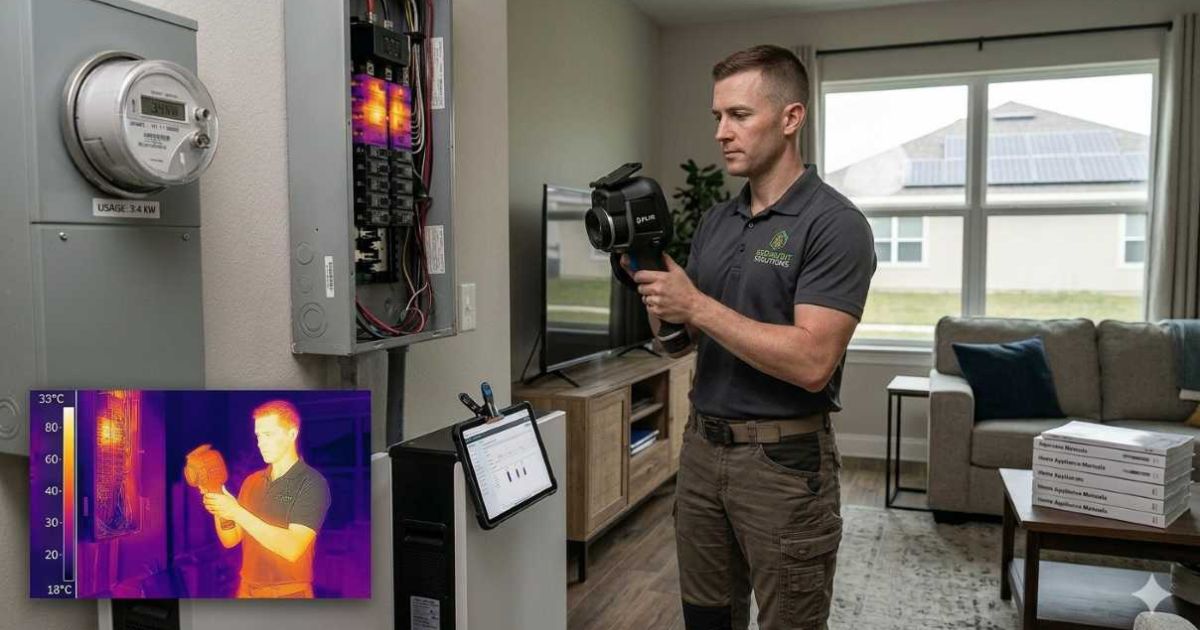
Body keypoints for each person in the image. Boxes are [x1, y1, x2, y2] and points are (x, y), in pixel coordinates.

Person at [629, 45, 876, 629]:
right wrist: (652, 285)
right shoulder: (717, 221)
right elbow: (680, 342)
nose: (722, 132)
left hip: (782, 465)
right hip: (701, 451)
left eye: (739, 115)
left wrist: (696, 304)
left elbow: (812, 362)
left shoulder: (835, 224)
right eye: (718, 116)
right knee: (707, 618)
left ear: (791, 118)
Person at [202, 399, 332, 598]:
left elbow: (292, 548)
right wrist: (218, 501)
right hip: (246, 590)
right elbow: (231, 539)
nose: (261, 443)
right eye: (258, 436)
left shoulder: (312, 483)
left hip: (290, 594)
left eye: (269, 435)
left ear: (292, 434)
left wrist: (236, 511)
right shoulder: (252, 482)